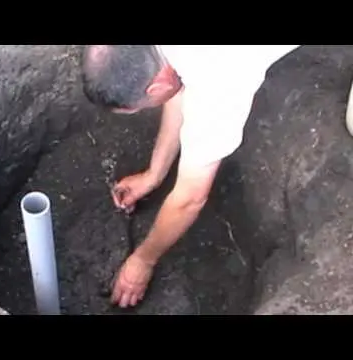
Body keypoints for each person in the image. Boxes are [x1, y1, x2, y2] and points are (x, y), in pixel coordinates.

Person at [80, 45, 299, 308]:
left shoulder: (216, 84)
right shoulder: (175, 61)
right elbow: (177, 84)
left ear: (154, 88)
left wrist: (142, 261)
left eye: (142, 106)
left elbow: (190, 198)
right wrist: (154, 174)